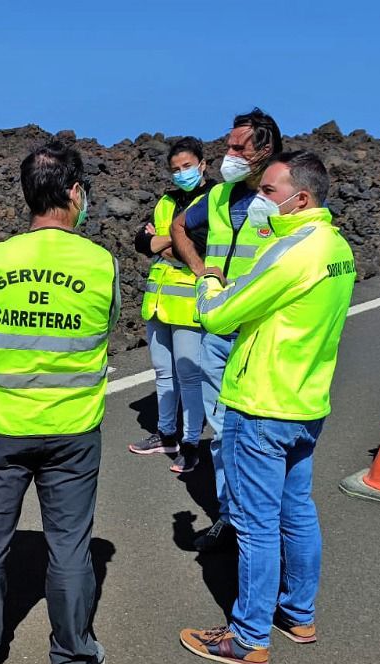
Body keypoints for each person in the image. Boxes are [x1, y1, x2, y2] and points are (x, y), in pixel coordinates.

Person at [0, 140, 118, 664]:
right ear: (74, 192)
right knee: (70, 547)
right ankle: (71, 657)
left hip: (0, 427)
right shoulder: (101, 263)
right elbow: (109, 326)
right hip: (71, 430)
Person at [177, 151, 355, 664]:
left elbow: (219, 315)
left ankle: (248, 637)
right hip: (305, 401)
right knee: (296, 510)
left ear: (301, 198)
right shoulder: (335, 246)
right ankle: (299, 614)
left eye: (270, 191)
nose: (260, 199)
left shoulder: (292, 251)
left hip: (261, 403)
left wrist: (209, 281)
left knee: (255, 525)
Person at [168, 108, 284, 550]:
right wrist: (200, 270)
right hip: (218, 330)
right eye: (228, 145)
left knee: (260, 433)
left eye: (238, 147)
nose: (228, 154)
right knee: (221, 429)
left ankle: (264, 524)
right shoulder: (218, 198)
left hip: (260, 332)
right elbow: (179, 226)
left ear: (265, 148)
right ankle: (231, 519)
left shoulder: (282, 195)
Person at [128, 137, 214, 473]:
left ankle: (191, 442)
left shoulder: (213, 199)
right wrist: (169, 242)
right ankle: (166, 433)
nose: (181, 173)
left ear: (203, 164)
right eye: (176, 169)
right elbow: (141, 241)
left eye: (187, 166)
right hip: (159, 302)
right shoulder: (167, 200)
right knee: (164, 372)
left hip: (190, 301)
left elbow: (202, 245)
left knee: (190, 376)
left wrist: (160, 242)